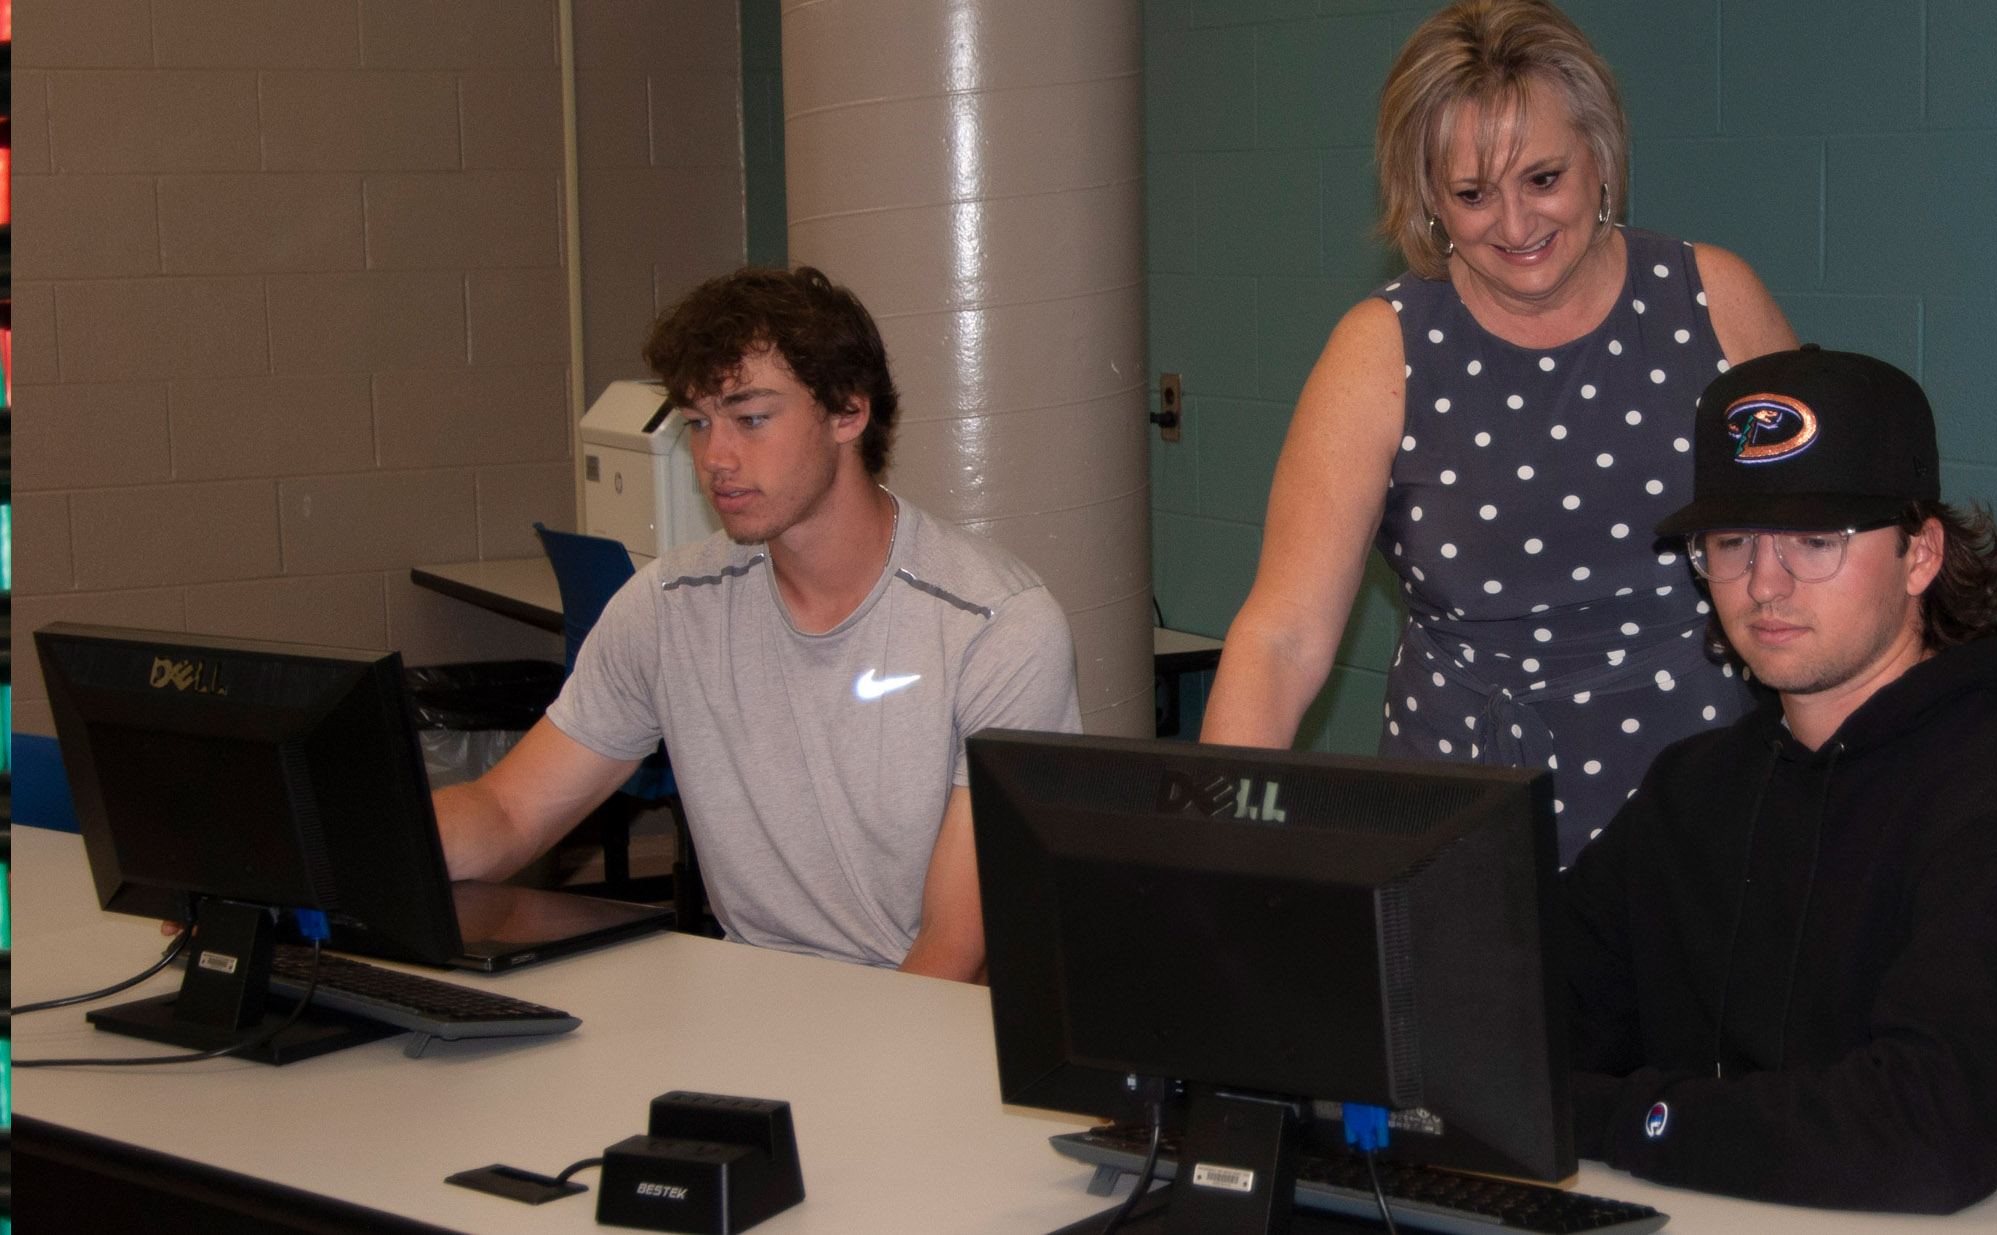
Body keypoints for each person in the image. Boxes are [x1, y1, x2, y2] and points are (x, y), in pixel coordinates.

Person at [1199, 0, 1799, 867]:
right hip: (1469, 828)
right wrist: (1221, 847)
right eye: (1473, 194)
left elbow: (1830, 552)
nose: (1515, 228)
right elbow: (1283, 636)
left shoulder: (1711, 300)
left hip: (1709, 818)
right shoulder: (1381, 350)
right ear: (1428, 196)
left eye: (1543, 179)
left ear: (1601, 156)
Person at [1558, 347, 1997, 1212]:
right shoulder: (1696, 790)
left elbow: (1926, 1133)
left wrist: (1634, 1117)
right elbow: (1530, 1010)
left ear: (1921, 555)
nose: (1766, 583)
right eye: (1731, 543)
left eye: (1815, 540)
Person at [433, 267, 1082, 983]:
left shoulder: (998, 627)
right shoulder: (668, 607)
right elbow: (506, 811)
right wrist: (342, 841)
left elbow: (953, 950)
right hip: (755, 1013)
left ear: (849, 412)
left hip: (927, 1019)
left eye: (751, 418)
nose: (716, 457)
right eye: (699, 422)